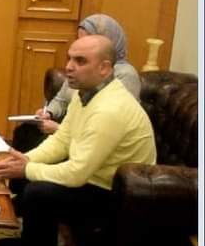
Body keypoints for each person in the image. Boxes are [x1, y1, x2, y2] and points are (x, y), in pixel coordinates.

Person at [0, 35, 156, 246]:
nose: (69, 66)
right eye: (69, 58)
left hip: (118, 195)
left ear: (104, 68)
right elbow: (62, 140)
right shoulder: (86, 94)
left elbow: (77, 173)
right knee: (27, 168)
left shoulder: (109, 109)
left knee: (39, 193)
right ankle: (29, 245)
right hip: (95, 177)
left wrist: (27, 169)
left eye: (80, 61)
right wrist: (27, 160)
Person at [13, 13, 142, 153]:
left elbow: (107, 128)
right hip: (68, 130)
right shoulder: (78, 76)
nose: (69, 66)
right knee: (25, 132)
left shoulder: (125, 74)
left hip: (94, 140)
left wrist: (58, 129)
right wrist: (48, 112)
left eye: (88, 41)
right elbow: (61, 100)